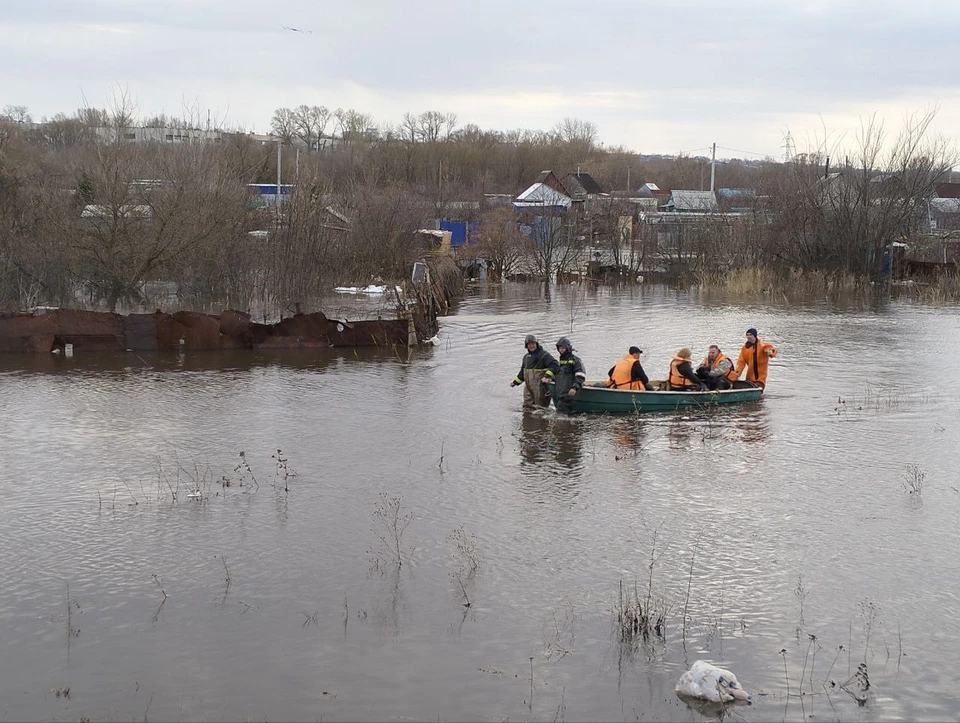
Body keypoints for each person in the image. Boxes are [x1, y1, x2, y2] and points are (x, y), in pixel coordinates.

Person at [510, 334, 559, 407]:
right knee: (526, 407)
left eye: (533, 344)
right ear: (526, 346)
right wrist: (515, 382)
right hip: (528, 388)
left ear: (536, 344)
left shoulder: (544, 355)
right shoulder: (526, 357)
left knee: (540, 409)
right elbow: (522, 373)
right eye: (529, 344)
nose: (531, 346)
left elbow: (555, 365)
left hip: (541, 388)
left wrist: (546, 376)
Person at [544, 336, 585, 414]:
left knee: (560, 418)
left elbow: (581, 375)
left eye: (563, 348)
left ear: (567, 348)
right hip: (561, 395)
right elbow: (561, 377)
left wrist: (574, 388)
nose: (561, 350)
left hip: (568, 396)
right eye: (560, 348)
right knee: (563, 416)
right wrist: (551, 379)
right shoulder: (562, 362)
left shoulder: (575, 360)